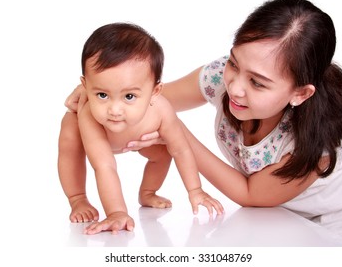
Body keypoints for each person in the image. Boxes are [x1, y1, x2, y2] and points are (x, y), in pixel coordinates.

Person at [64, 0, 342, 246]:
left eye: (258, 83)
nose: (236, 86)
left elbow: (250, 195)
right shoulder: (220, 76)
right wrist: (102, 90)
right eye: (234, 63)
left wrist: (172, 129)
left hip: (341, 224)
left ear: (299, 93)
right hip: (279, 218)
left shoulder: (315, 150)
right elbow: (153, 97)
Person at [58, 22, 223, 235]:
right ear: (85, 86)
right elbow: (104, 166)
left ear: (155, 91)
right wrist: (117, 212)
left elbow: (181, 150)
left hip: (136, 137)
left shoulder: (162, 111)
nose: (114, 110)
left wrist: (195, 190)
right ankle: (77, 199)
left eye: (129, 96)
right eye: (102, 95)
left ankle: (148, 192)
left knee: (163, 153)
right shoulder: (89, 116)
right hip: (95, 140)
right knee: (69, 139)